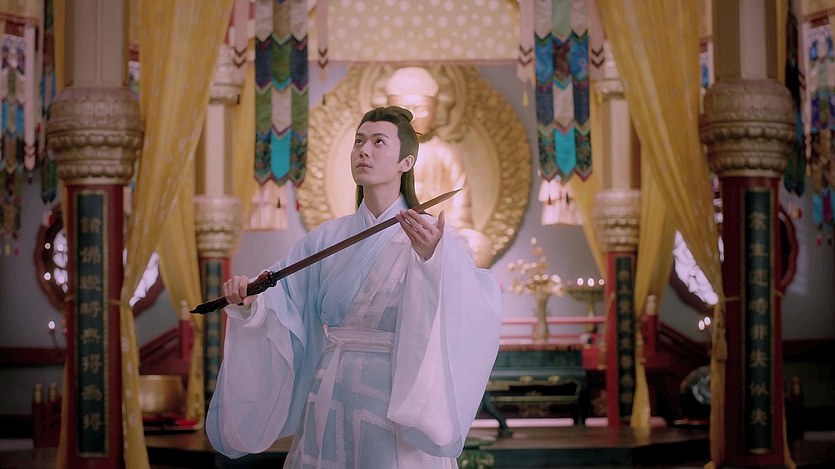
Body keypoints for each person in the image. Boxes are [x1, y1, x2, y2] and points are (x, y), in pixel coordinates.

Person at [206, 106, 502, 468]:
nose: (364, 150)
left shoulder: (434, 238)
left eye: (378, 142)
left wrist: (434, 262)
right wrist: (251, 300)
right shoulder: (326, 238)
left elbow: (471, 309)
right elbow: (283, 294)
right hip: (330, 391)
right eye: (359, 141)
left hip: (395, 399)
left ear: (406, 162)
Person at [385, 67, 493, 267]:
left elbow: (460, 213)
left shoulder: (444, 153)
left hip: (438, 233)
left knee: (479, 245)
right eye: (403, 109)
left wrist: (444, 229)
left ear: (436, 111)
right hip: (391, 231)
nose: (413, 116)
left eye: (421, 109)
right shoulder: (381, 153)